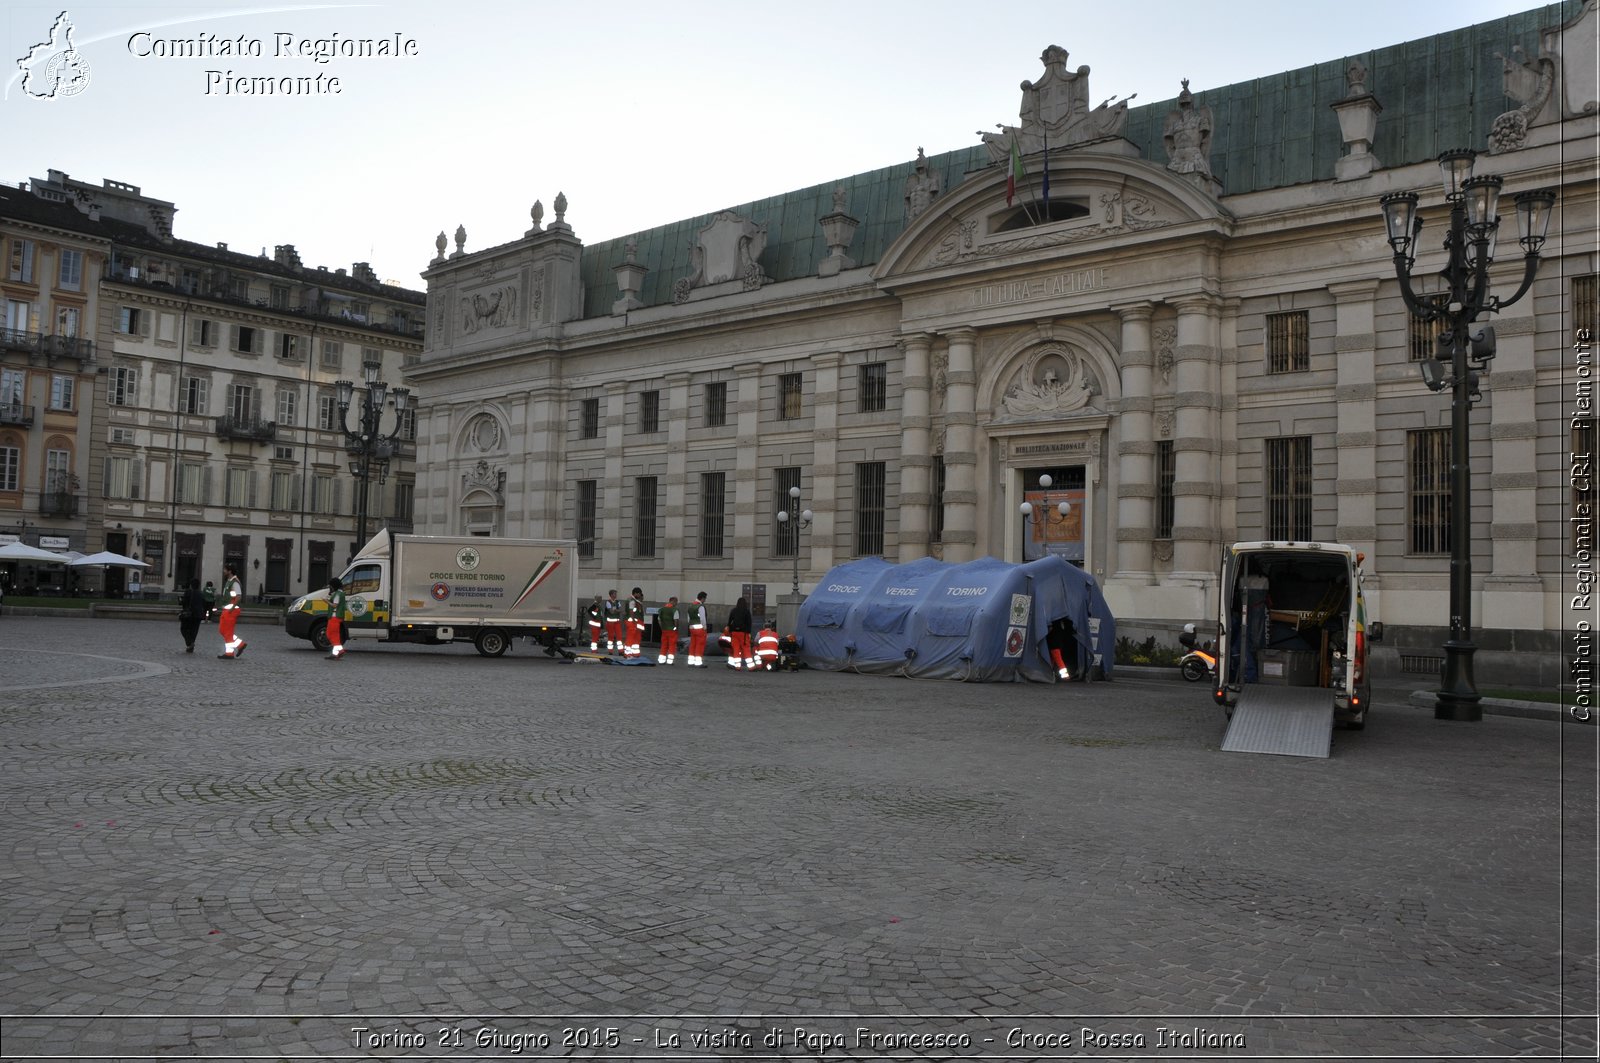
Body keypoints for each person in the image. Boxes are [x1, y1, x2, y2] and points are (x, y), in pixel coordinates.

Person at [216, 564, 246, 659]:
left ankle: (229, 653)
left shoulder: (234, 582)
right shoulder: (229, 581)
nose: (223, 571)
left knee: (228, 632)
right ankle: (240, 644)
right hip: (227, 609)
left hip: (231, 610)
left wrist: (232, 608)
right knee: (222, 630)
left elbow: (238, 596)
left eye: (225, 570)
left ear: (230, 571)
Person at [726, 595, 755, 670]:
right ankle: (751, 667)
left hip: (734, 633)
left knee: (736, 649)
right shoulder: (746, 611)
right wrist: (749, 633)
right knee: (746, 649)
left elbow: (729, 622)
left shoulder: (733, 610)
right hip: (743, 633)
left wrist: (730, 630)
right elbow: (749, 623)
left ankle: (737, 666)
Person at [178, 578, 207, 653]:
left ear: (191, 585)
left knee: (184, 629)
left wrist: (180, 601)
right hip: (199, 615)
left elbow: (184, 602)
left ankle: (189, 643)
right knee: (194, 631)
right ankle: (190, 646)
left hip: (189, 614)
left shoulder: (188, 592)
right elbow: (204, 604)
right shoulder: (201, 593)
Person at [686, 591, 709, 668]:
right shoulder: (700, 606)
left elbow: (688, 618)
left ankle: (691, 661)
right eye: (705, 599)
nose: (705, 600)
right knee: (700, 645)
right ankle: (698, 662)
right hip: (700, 629)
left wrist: (690, 625)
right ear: (702, 598)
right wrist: (705, 627)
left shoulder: (691, 606)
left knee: (693, 644)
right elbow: (703, 618)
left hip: (692, 628)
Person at [326, 576, 348, 659]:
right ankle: (335, 654)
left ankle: (340, 651)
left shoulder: (337, 594)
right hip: (336, 617)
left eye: (330, 586)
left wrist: (326, 601)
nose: (330, 587)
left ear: (333, 586)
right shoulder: (340, 593)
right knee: (333, 635)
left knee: (331, 635)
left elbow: (334, 605)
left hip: (335, 617)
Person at [624, 587, 646, 658]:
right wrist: (633, 620)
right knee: (631, 637)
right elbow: (631, 611)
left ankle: (635, 653)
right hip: (632, 622)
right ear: (636, 593)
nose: (640, 596)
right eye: (639, 594)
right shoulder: (632, 600)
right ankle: (627, 653)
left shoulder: (635, 600)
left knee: (636, 637)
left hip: (634, 622)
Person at [657, 595, 680, 665]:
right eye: (676, 602)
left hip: (664, 630)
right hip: (672, 630)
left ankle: (661, 660)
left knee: (664, 645)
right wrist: (675, 628)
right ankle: (670, 661)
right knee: (672, 645)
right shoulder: (675, 610)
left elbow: (659, 620)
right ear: (673, 601)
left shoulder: (662, 609)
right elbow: (676, 620)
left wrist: (662, 627)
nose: (677, 603)